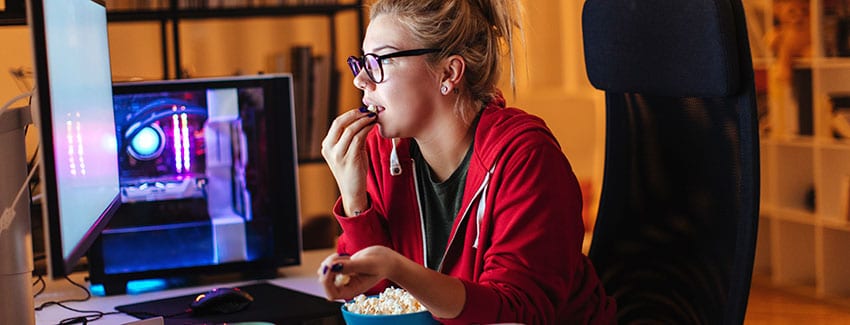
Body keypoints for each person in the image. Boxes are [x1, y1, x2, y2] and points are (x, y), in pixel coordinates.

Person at [317, 0, 616, 323]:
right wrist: (354, 200)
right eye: (362, 62)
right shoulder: (378, 151)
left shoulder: (526, 157)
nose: (361, 80)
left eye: (380, 61)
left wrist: (397, 268)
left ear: (449, 72)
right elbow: (384, 304)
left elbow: (518, 313)